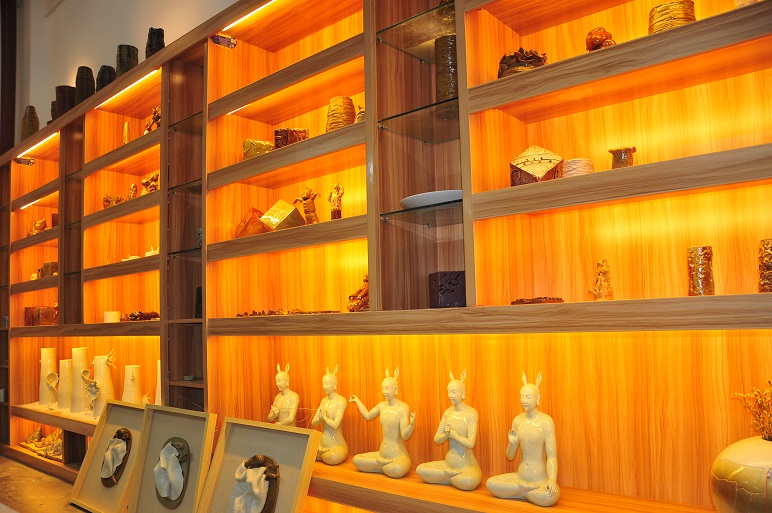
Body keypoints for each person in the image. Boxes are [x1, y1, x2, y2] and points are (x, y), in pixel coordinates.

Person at [486, 372, 560, 507]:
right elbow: (510, 456)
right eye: (521, 396)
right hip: (520, 476)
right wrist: (512, 444)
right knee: (491, 483)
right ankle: (525, 490)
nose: (523, 400)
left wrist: (552, 479)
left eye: (528, 397)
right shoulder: (517, 421)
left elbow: (552, 456)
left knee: (550, 496)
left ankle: (520, 491)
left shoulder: (546, 422)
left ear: (537, 398)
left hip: (539, 479)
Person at [416, 370, 481, 490]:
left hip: (466, 465)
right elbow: (437, 439)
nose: (450, 395)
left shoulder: (471, 413)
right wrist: (446, 434)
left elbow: (471, 443)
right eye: (448, 391)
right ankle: (449, 476)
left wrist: (455, 436)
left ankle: (446, 477)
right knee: (420, 469)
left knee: (468, 481)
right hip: (448, 463)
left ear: (462, 393)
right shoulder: (448, 413)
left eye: (453, 392)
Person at [349, 368, 416, 478]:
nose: (384, 391)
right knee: (356, 460)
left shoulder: (403, 407)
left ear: (395, 389)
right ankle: (382, 465)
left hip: (397, 455)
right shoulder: (381, 406)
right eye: (382, 388)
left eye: (387, 388)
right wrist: (357, 401)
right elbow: (367, 416)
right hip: (382, 454)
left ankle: (381, 465)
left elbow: (405, 435)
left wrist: (412, 425)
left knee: (396, 470)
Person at [311, 365, 348, 465]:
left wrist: (325, 418)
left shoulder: (341, 401)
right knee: (305, 450)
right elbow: (313, 423)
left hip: (336, 445)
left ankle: (320, 455)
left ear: (334, 384)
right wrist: (320, 417)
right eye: (323, 383)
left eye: (326, 383)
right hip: (322, 444)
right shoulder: (324, 401)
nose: (324, 386)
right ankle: (320, 454)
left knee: (332, 457)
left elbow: (335, 425)